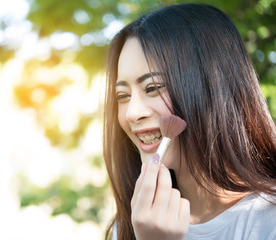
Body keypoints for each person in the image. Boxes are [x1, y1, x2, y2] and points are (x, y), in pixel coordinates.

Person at [103, 3, 276, 240]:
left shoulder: (268, 219)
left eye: (152, 88)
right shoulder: (131, 226)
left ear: (213, 87)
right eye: (122, 96)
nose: (132, 113)